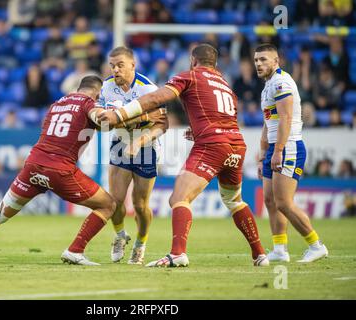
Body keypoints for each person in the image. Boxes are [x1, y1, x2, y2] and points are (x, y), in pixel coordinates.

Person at [0, 75, 165, 266]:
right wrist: (145, 116)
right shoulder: (89, 105)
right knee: (108, 204)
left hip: (32, 166)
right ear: (96, 94)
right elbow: (106, 121)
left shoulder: (56, 105)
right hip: (59, 169)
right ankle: (75, 250)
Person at [99, 44, 269, 267]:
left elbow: (156, 99)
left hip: (211, 145)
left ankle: (177, 253)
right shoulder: (226, 85)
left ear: (193, 60)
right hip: (236, 145)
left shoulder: (189, 76)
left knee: (178, 198)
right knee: (234, 200)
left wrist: (120, 114)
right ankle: (260, 254)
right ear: (214, 64)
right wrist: (199, 130)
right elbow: (226, 117)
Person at [254, 43, 328, 263]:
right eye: (256, 60)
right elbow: (269, 122)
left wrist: (277, 150)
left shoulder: (281, 82)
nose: (258, 64)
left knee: (284, 202)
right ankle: (280, 249)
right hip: (274, 149)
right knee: (269, 200)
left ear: (276, 61)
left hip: (288, 146)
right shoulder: (268, 86)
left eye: (264, 60)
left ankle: (316, 245)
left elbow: (285, 118)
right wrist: (263, 155)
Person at [99, 46, 169, 265]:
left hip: (146, 148)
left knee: (140, 205)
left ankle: (140, 243)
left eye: (120, 65)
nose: (115, 70)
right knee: (115, 202)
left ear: (132, 65)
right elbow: (102, 121)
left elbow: (163, 124)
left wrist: (139, 141)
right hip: (119, 145)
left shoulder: (148, 88)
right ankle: (120, 236)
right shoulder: (106, 87)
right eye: (112, 66)